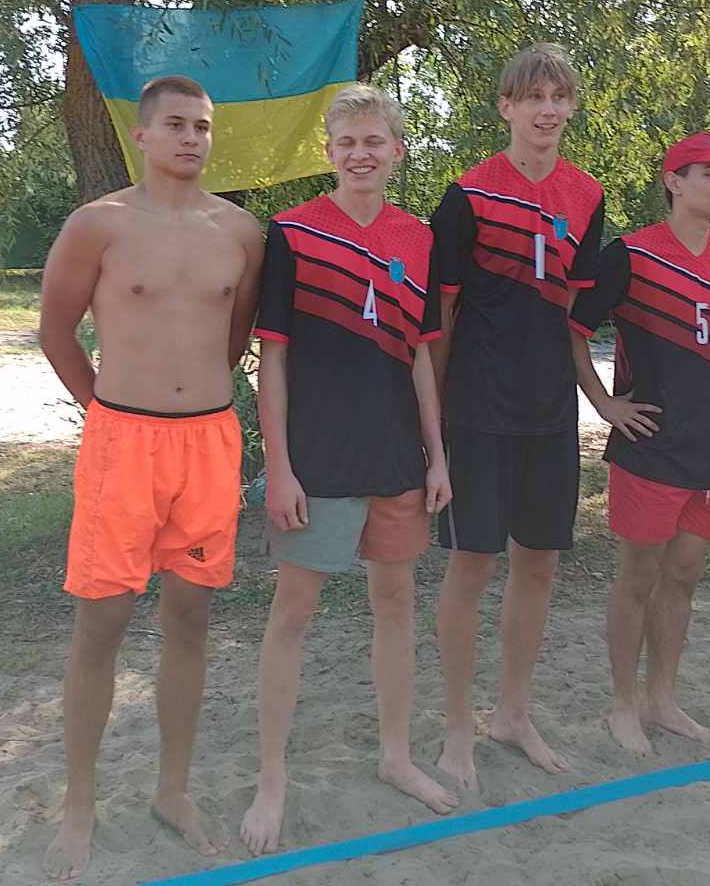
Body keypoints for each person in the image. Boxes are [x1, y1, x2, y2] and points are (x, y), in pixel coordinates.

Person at [38, 74, 264, 881]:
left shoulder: (240, 231)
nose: (190, 138)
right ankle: (79, 803)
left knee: (191, 619)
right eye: (175, 125)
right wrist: (106, 412)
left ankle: (174, 790)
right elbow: (56, 331)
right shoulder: (98, 224)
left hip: (207, 441)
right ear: (141, 135)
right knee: (101, 625)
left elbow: (234, 337)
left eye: (201, 126)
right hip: (123, 443)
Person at [239, 85, 457, 855]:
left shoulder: (420, 238)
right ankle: (272, 780)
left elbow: (422, 357)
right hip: (318, 460)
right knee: (291, 617)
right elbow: (273, 358)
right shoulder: (293, 232)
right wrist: (280, 467)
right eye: (347, 143)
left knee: (395, 605)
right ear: (328, 152)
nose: (360, 154)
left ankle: (396, 757)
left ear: (398, 149)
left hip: (396, 458)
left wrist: (437, 456)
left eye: (374, 141)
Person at [429, 43, 605, 790]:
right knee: (472, 565)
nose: (547, 110)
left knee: (539, 564)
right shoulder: (467, 196)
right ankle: (456, 728)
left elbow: (573, 318)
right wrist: (433, 425)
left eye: (559, 97)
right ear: (506, 106)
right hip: (475, 408)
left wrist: (597, 400)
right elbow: (439, 319)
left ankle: (512, 713)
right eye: (533, 96)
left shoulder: (586, 196)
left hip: (548, 411)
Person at [571, 132, 710, 756]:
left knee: (683, 576)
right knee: (638, 578)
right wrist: (604, 405)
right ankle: (622, 705)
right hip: (647, 444)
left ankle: (662, 700)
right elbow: (572, 328)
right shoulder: (631, 254)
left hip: (708, 449)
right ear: (674, 182)